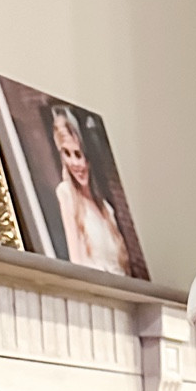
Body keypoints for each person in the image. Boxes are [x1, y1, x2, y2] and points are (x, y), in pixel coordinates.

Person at [51, 105, 130, 274]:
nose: (74, 163)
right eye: (67, 153)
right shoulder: (66, 194)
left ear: (89, 157)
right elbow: (77, 264)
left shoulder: (107, 208)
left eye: (78, 154)